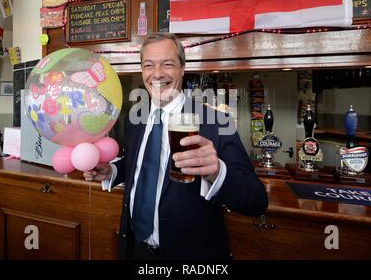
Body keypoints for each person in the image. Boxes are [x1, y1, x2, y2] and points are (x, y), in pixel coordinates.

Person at [83, 32, 268, 260]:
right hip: (135, 250)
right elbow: (139, 165)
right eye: (148, 65)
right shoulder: (134, 119)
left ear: (182, 68)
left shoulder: (215, 122)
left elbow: (256, 201)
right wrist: (112, 170)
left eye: (167, 64)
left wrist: (217, 172)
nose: (157, 74)